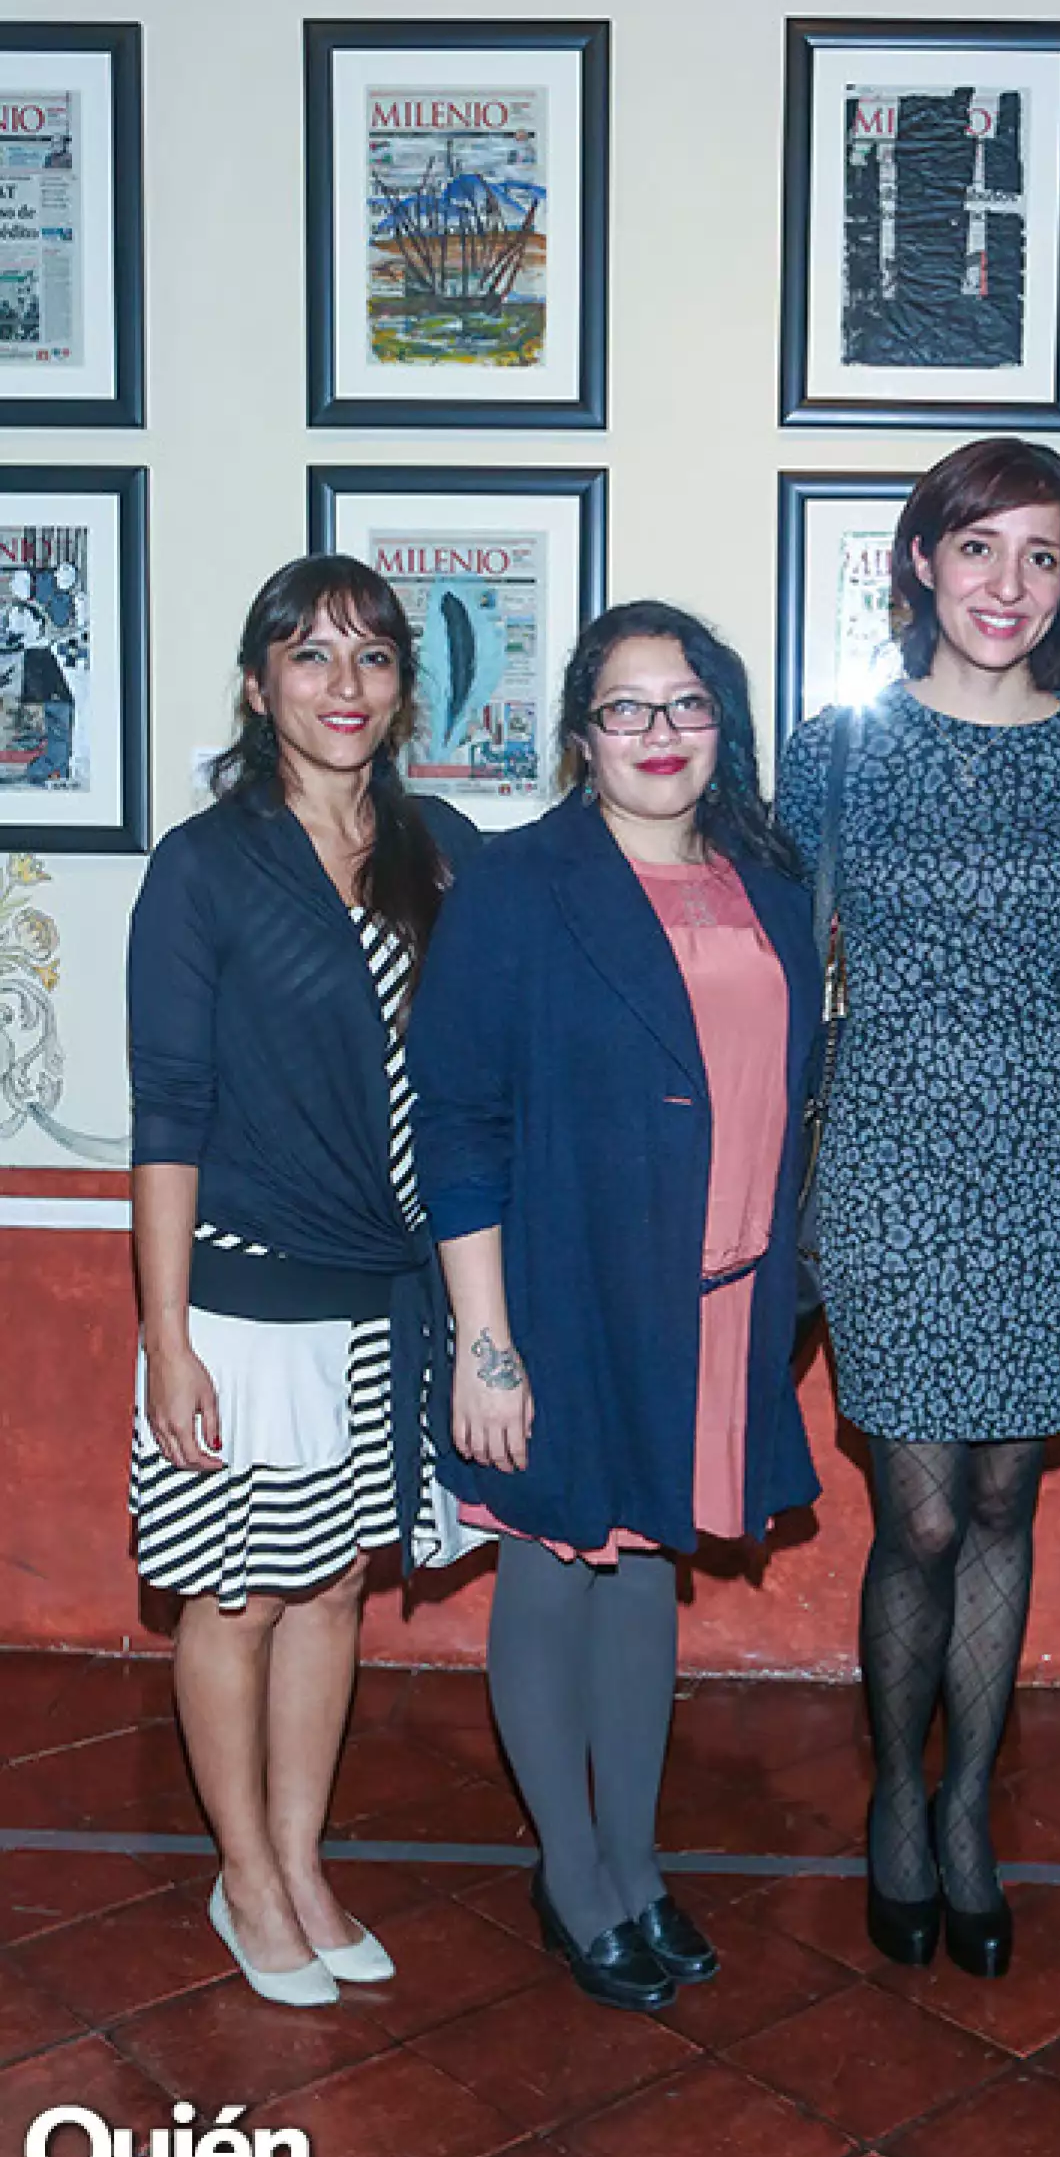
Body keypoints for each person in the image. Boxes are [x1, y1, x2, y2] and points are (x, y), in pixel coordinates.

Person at [407, 601, 821, 2014]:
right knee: (553, 1566)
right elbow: (457, 1122)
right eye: (627, 707)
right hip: (562, 1291)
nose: (659, 733)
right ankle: (573, 1876)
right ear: (582, 735)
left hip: (718, 1294)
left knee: (645, 1569)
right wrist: (486, 1342)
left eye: (687, 703)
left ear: (725, 725)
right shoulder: (519, 887)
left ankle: (638, 1864)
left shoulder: (771, 882)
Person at [777, 438, 1060, 1979]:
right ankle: (893, 1801)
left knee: (1006, 1499)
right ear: (920, 560)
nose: (1009, 584)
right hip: (887, 1148)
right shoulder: (836, 752)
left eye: (1042, 556)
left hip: (1056, 1154)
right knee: (917, 1507)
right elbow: (779, 974)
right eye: (979, 548)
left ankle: (970, 1808)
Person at [128, 554, 480, 2007]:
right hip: (239, 1294)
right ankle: (245, 1878)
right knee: (237, 1595)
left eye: (374, 657)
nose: (345, 684)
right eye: (312, 655)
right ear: (259, 681)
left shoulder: (440, 844)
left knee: (333, 1580)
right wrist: (164, 1340)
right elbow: (168, 1114)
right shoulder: (207, 864)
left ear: (404, 688)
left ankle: (299, 1855)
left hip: (385, 1294)